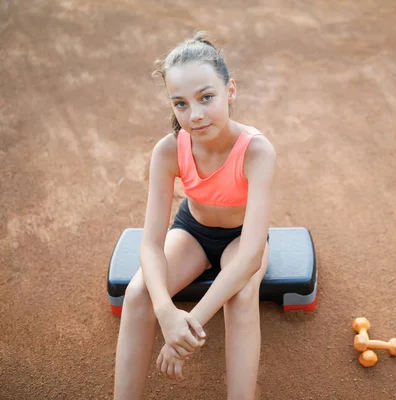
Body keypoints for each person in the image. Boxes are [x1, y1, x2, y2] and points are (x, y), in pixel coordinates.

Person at [113, 31, 276, 400]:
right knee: (138, 293)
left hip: (240, 239)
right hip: (193, 231)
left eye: (206, 97)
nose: (196, 114)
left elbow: (251, 255)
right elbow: (151, 244)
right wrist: (165, 313)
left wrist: (188, 328)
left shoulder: (258, 151)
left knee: (242, 294)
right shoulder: (168, 150)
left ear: (230, 91)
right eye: (181, 104)